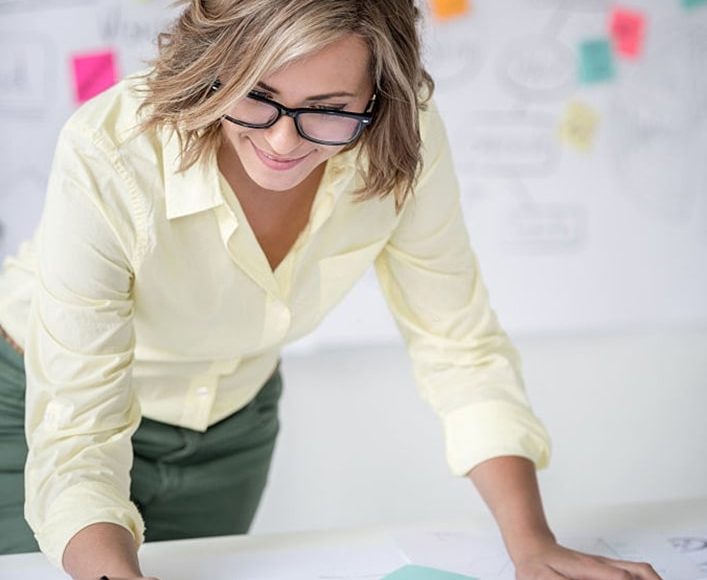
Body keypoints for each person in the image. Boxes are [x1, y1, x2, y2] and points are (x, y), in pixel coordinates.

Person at [0, 1, 660, 578]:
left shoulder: (401, 138)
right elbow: (77, 434)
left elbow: (456, 342)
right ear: (213, 64)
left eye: (329, 111)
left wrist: (532, 544)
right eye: (255, 94)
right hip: (38, 400)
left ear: (377, 98)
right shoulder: (111, 150)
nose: (282, 140)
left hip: (231, 423)